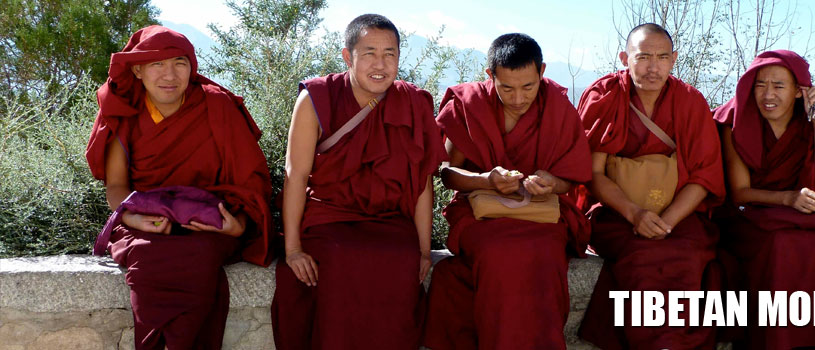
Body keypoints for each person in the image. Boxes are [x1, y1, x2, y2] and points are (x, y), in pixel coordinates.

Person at [85, 25, 274, 349]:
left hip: (208, 226)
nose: (169, 74)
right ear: (139, 70)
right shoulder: (125, 113)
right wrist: (130, 219)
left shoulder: (216, 106)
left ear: (192, 67)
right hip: (146, 225)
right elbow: (117, 187)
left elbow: (252, 178)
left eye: (179, 63)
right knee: (146, 260)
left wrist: (237, 226)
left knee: (199, 255)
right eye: (158, 64)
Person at [270, 14, 447, 349]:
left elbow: (422, 182)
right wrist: (293, 249)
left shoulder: (414, 103)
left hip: (390, 220)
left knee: (400, 262)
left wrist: (424, 250)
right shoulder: (317, 99)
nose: (380, 64)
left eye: (390, 54)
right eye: (369, 53)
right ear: (348, 56)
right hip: (330, 217)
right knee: (339, 260)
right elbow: (296, 175)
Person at [422, 33, 592, 350]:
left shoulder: (558, 106)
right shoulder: (470, 104)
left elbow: (571, 178)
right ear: (490, 76)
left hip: (541, 217)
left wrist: (551, 183)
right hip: (481, 216)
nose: (518, 98)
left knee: (544, 259)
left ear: (542, 72)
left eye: (528, 87)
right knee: (497, 255)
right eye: (506, 88)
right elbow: (446, 173)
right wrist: (486, 179)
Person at [576, 23, 725, 349]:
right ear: (624, 57)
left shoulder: (689, 102)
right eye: (643, 57)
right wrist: (634, 214)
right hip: (617, 213)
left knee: (685, 255)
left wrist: (669, 220)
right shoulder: (605, 96)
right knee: (642, 254)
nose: (653, 67)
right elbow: (593, 174)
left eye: (661, 57)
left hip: (681, 215)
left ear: (673, 59)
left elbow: (705, 177)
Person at [712, 49, 815, 350]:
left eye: (779, 86)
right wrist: (789, 198)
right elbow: (740, 192)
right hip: (746, 219)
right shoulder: (736, 121)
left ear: (798, 92)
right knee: (781, 244)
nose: (768, 95)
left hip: (795, 216)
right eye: (760, 85)